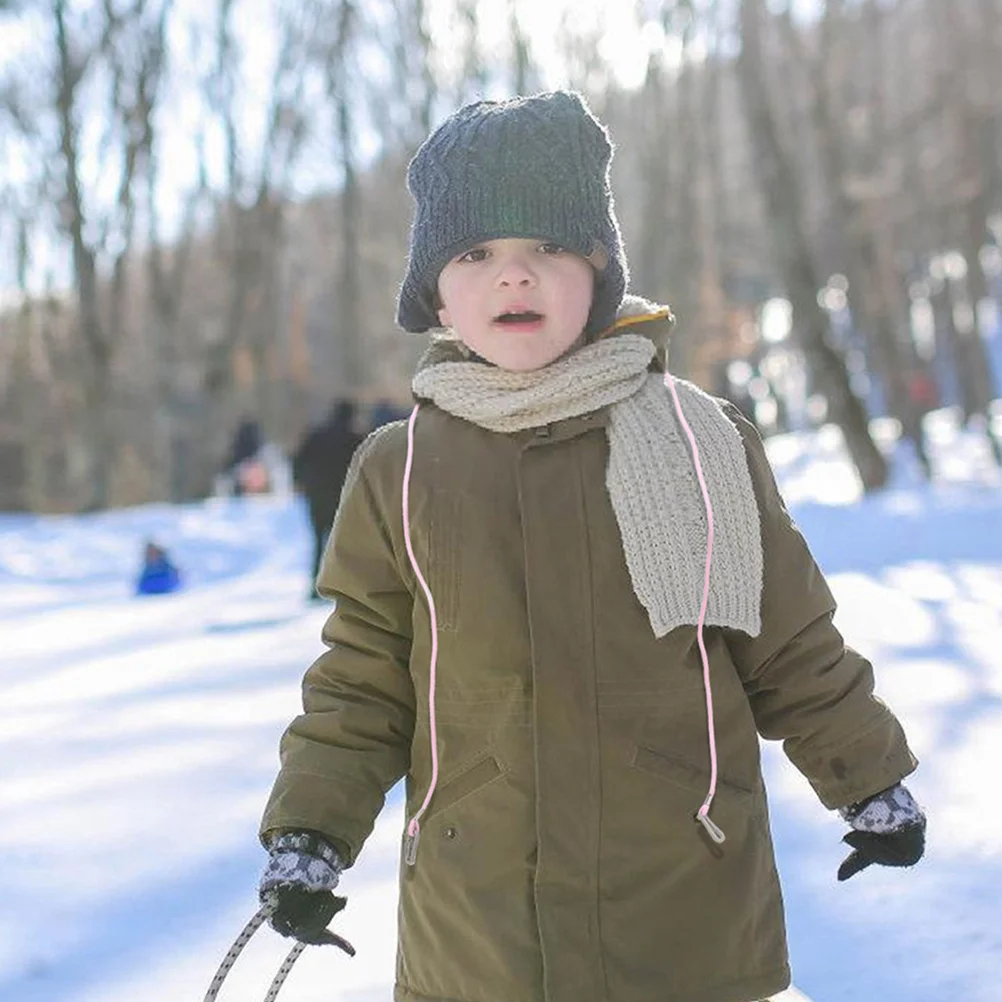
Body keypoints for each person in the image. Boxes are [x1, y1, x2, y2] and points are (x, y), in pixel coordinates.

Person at [257, 92, 925, 1002]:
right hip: (482, 920)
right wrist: (311, 834)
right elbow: (364, 677)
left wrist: (867, 778)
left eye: (550, 248)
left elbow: (791, 638)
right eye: (476, 253)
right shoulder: (400, 465)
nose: (515, 277)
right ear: (434, 291)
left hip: (683, 899)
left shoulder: (699, 439)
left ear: (601, 267)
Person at [291, 399, 364, 598]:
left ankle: (316, 586)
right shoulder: (354, 438)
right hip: (341, 497)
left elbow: (297, 459)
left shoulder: (316, 435)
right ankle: (342, 587)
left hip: (316, 496)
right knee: (342, 544)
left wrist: (299, 482)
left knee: (318, 541)